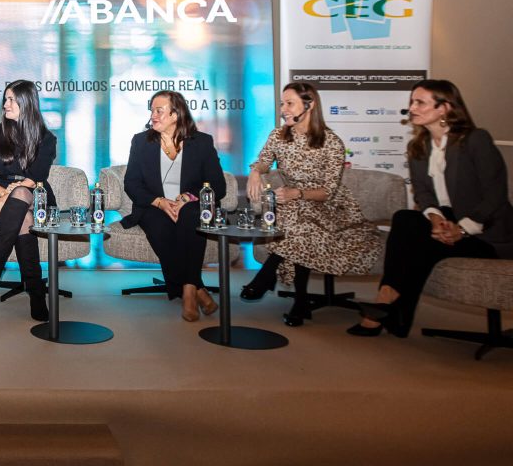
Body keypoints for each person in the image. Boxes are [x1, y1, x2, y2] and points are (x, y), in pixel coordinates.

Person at [351, 79, 513, 337]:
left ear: (444, 108)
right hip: (447, 221)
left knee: (423, 245)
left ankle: (389, 306)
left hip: (486, 232)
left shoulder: (475, 140)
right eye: (412, 102)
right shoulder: (418, 146)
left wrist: (462, 230)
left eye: (420, 103)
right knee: (405, 218)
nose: (412, 108)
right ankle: (389, 301)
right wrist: (436, 220)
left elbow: (496, 195)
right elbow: (423, 194)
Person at [243, 82, 382, 327]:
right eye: (282, 104)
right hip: (295, 206)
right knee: (298, 217)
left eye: (290, 103)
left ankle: (269, 274)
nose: (283, 109)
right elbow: (264, 160)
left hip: (329, 206)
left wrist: (297, 193)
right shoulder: (278, 136)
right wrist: (256, 172)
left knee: (299, 218)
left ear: (310, 105)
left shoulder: (332, 142)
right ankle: (300, 300)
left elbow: (328, 191)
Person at [122, 90, 225, 321]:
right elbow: (132, 183)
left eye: (159, 111)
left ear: (176, 114)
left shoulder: (202, 142)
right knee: (160, 228)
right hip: (153, 206)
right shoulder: (141, 141)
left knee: (191, 217)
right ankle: (197, 288)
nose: (153, 115)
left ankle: (187, 290)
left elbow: (218, 186)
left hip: (190, 206)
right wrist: (160, 202)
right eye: (152, 110)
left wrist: (187, 198)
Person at [0, 80, 57, 322]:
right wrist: (4, 195)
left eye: (11, 99)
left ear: (26, 103)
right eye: (5, 99)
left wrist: (3, 201)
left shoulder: (46, 137)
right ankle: (36, 292)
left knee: (22, 194)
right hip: (2, 191)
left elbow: (36, 177)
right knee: (24, 218)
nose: (6, 104)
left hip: (36, 194)